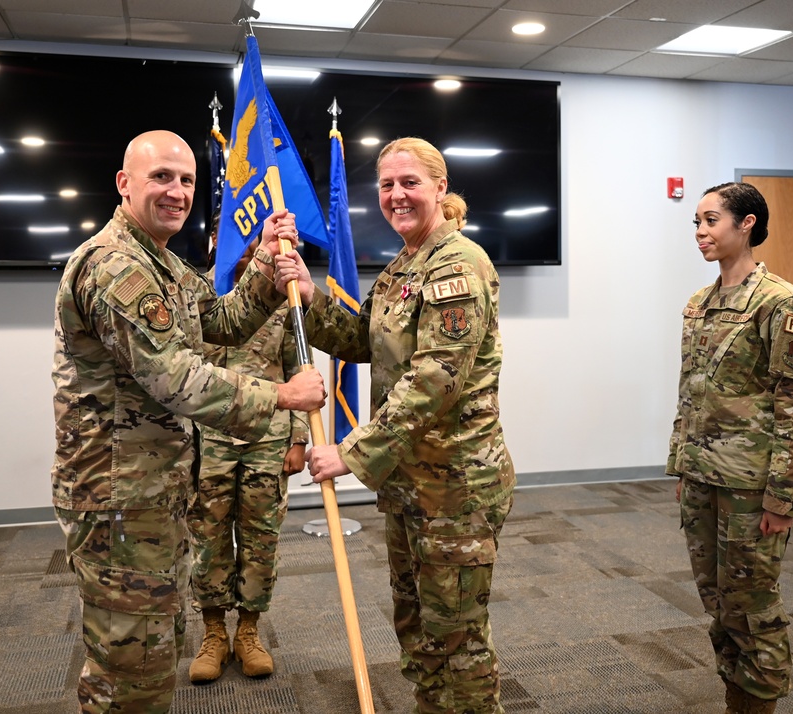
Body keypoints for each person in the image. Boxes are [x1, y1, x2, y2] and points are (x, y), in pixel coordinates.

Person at [51, 130, 326, 714]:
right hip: (117, 500)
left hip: (149, 493)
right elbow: (175, 378)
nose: (176, 192)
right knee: (129, 668)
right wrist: (282, 396)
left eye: (185, 180)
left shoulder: (164, 265)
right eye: (160, 177)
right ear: (124, 184)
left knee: (148, 650)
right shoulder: (115, 268)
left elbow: (220, 322)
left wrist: (266, 275)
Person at [275, 137, 515, 713]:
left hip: (456, 487)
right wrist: (310, 296)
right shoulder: (403, 266)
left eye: (409, 182)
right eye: (386, 185)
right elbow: (365, 342)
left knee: (457, 638)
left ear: (439, 186)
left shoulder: (458, 263)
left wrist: (351, 451)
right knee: (419, 626)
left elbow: (437, 378)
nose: (397, 195)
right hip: (413, 481)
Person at [667, 182, 793, 714]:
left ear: (747, 223)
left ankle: (759, 704)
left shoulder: (780, 302)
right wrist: (683, 464)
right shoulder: (699, 304)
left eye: (711, 221)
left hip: (751, 487)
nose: (700, 233)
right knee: (717, 601)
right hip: (704, 478)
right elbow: (691, 392)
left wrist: (786, 496)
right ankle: (737, 698)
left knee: (752, 605)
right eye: (696, 222)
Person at [187, 240, 310, 683]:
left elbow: (300, 370)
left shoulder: (281, 299)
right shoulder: (198, 299)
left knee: (261, 539)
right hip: (210, 441)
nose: (244, 254)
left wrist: (299, 438)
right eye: (236, 246)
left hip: (268, 437)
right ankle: (215, 632)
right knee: (209, 537)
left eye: (252, 247)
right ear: (215, 248)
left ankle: (249, 632)